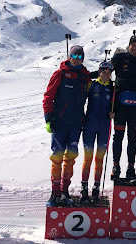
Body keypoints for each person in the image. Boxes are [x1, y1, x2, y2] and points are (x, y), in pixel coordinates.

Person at [43, 45, 91, 207]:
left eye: (80, 57)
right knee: (56, 158)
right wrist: (48, 118)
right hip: (60, 123)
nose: (77, 59)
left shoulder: (85, 76)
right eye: (74, 56)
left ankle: (64, 191)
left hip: (76, 125)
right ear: (69, 56)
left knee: (70, 159)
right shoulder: (60, 74)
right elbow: (48, 96)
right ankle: (54, 192)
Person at [110, 31, 136, 181]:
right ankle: (116, 166)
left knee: (132, 138)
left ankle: (131, 168)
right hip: (120, 106)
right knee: (118, 137)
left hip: (135, 107)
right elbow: (106, 70)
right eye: (133, 45)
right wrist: (87, 76)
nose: (135, 48)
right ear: (129, 46)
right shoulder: (120, 58)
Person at [81, 61, 115, 202]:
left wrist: (115, 113)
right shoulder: (92, 85)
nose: (106, 75)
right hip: (90, 125)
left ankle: (96, 187)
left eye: (108, 73)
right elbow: (80, 99)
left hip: (104, 127)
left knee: (99, 158)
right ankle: (84, 187)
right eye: (103, 72)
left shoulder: (113, 89)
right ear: (99, 72)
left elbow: (118, 105)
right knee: (87, 158)